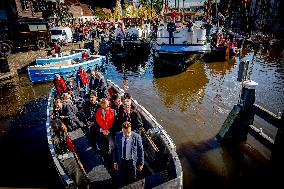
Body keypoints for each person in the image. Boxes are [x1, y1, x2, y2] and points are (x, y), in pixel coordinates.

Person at [113, 121, 144, 187]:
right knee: (119, 178)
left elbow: (140, 151)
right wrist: (115, 161)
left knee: (133, 177)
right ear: (122, 130)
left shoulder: (137, 137)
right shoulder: (118, 135)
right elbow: (115, 149)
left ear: (131, 129)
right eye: (124, 132)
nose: (126, 134)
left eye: (128, 132)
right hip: (121, 161)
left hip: (132, 161)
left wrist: (141, 163)